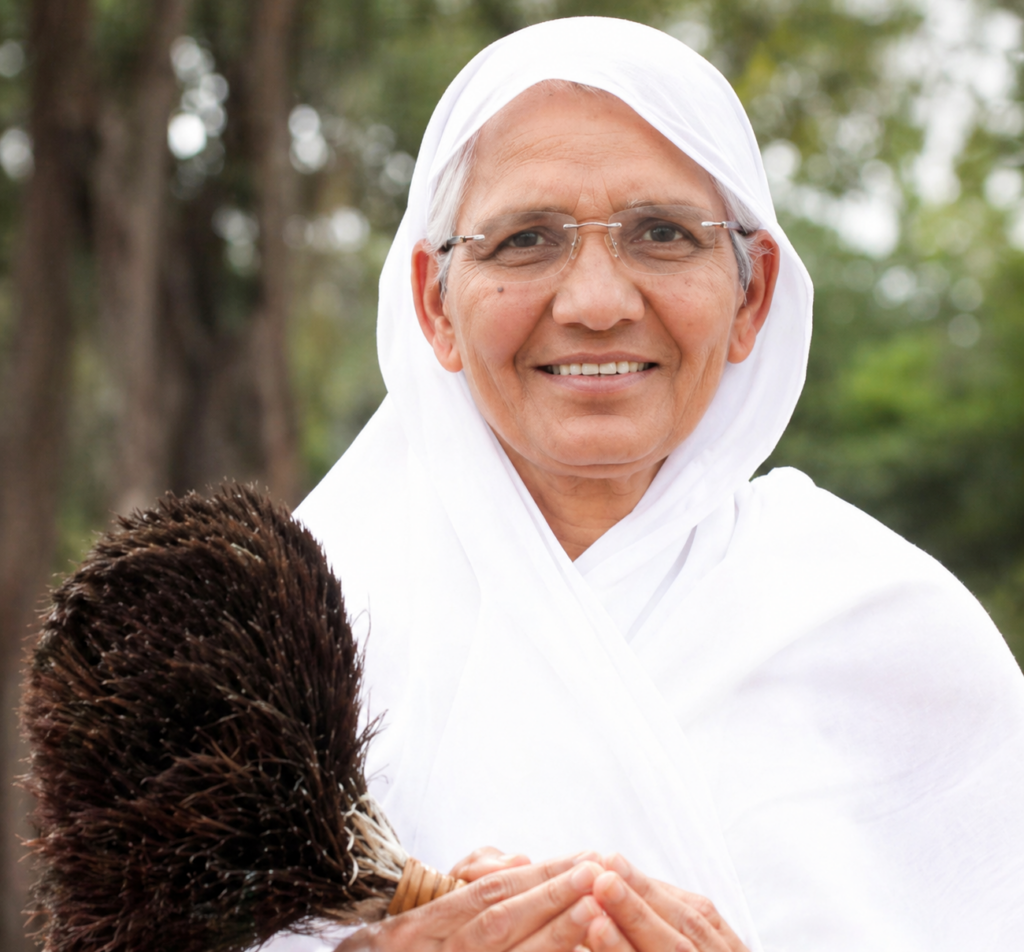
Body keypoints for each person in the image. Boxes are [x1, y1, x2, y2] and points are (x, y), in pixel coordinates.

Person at [290, 16, 1024, 952]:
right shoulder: (300, 641)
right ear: (435, 301)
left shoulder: (895, 635)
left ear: (751, 296)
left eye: (664, 234)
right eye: (526, 239)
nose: (596, 303)